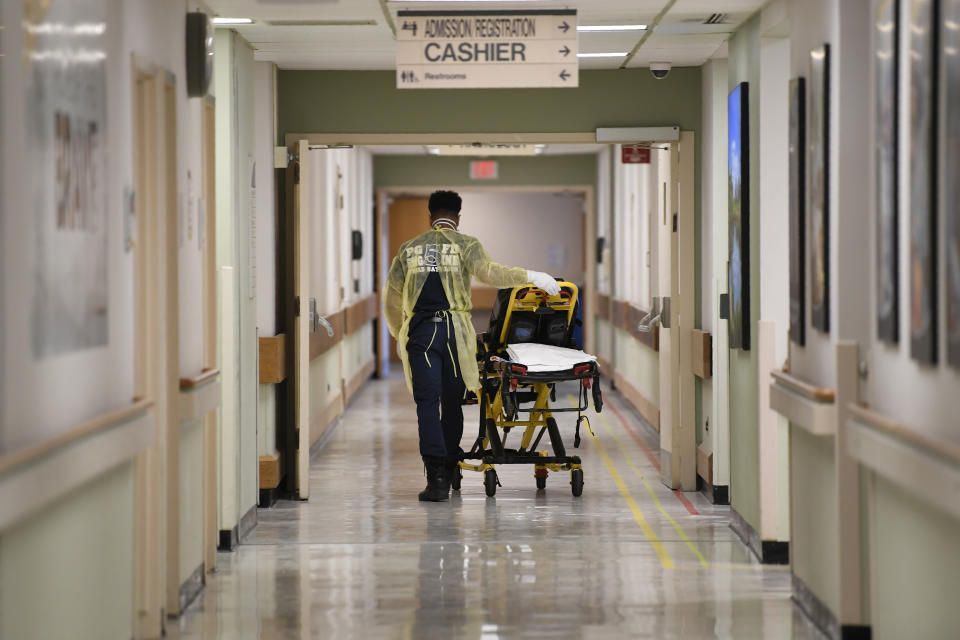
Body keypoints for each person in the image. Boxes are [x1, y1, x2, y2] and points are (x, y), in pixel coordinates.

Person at [383, 190, 560, 502]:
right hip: (455, 335)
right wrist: (531, 276)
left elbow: (392, 297)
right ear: (458, 218)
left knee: (426, 403)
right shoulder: (466, 245)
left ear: (430, 217)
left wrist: (402, 333)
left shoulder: (409, 249)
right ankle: (452, 467)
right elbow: (490, 273)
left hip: (422, 334)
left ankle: (436, 478)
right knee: (452, 402)